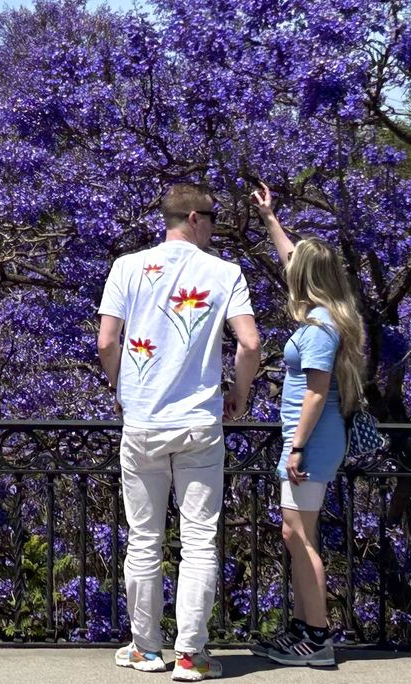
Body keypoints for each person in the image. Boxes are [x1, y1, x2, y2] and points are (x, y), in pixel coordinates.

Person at [99, 183, 261, 681]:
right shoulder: (225, 273)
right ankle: (191, 655)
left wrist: (125, 390)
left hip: (144, 422)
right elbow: (250, 343)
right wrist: (240, 393)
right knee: (198, 540)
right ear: (193, 218)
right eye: (212, 217)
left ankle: (146, 650)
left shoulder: (127, 267)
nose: (215, 226)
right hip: (198, 423)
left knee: (145, 539)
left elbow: (107, 340)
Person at [249, 183, 367, 668]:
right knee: (299, 536)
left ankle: (317, 638)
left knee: (297, 537)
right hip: (311, 441)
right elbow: (292, 257)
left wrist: (295, 448)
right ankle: (303, 629)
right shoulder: (327, 313)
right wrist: (270, 218)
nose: (288, 272)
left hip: (310, 443)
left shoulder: (319, 327)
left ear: (309, 280)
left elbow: (317, 392)